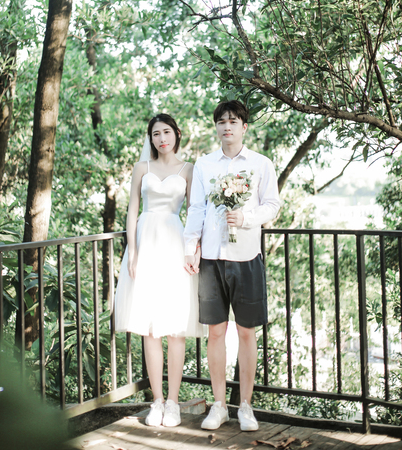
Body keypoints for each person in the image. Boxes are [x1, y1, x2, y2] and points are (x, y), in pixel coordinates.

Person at [184, 100, 280, 432]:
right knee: (215, 332)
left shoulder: (261, 164)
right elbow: (196, 208)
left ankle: (247, 406)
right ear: (217, 127)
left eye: (233, 121)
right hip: (211, 258)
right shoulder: (204, 164)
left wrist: (246, 217)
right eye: (222, 122)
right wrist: (190, 246)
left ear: (244, 127)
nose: (227, 126)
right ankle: (219, 405)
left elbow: (272, 204)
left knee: (246, 332)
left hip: (247, 257)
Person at [114, 113, 204, 428]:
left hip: (175, 246)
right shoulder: (142, 168)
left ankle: (174, 403)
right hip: (146, 244)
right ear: (150, 138)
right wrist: (133, 252)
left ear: (176, 134)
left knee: (176, 329)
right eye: (155, 134)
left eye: (166, 132)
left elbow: (195, 212)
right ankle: (157, 401)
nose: (161, 138)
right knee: (151, 329)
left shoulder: (188, 169)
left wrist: (195, 249)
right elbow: (132, 211)